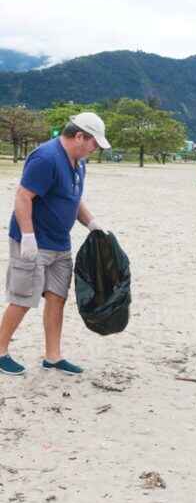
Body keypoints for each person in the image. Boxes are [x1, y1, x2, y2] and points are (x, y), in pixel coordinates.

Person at [0, 112, 111, 376]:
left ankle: (53, 356)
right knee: (23, 298)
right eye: (94, 143)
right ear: (80, 136)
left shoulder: (79, 162)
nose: (95, 149)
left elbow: (72, 199)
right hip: (34, 242)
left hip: (61, 244)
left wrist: (92, 222)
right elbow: (23, 197)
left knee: (57, 298)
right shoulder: (46, 158)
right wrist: (27, 237)